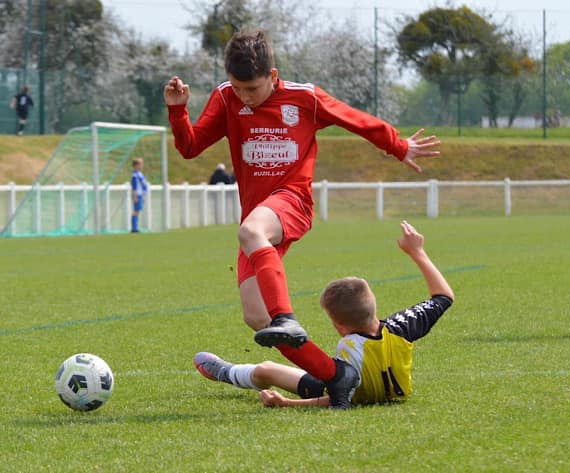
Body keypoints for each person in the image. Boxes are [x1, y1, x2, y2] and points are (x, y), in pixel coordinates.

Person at [164, 29, 441, 407]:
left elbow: (354, 120)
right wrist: (178, 110)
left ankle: (287, 316)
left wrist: (398, 145)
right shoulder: (226, 98)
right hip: (258, 224)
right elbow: (190, 146)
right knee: (257, 318)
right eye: (238, 88)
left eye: (254, 89)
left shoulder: (304, 98)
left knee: (251, 235)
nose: (245, 97)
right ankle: (337, 376)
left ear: (273, 76)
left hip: (291, 202)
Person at [194, 220, 454, 409]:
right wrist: (417, 252)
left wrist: (286, 404)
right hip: (395, 393)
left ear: (338, 325)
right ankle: (227, 372)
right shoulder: (400, 327)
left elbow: (341, 396)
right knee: (273, 370)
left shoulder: (350, 348)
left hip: (353, 392)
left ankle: (225, 372)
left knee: (267, 370)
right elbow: (443, 297)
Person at [130, 157, 148, 233]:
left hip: (141, 195)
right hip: (137, 195)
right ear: (136, 165)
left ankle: (136, 227)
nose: (142, 165)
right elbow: (133, 187)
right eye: (140, 164)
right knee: (136, 211)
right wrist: (134, 197)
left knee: (138, 211)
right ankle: (134, 228)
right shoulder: (135, 175)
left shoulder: (139, 174)